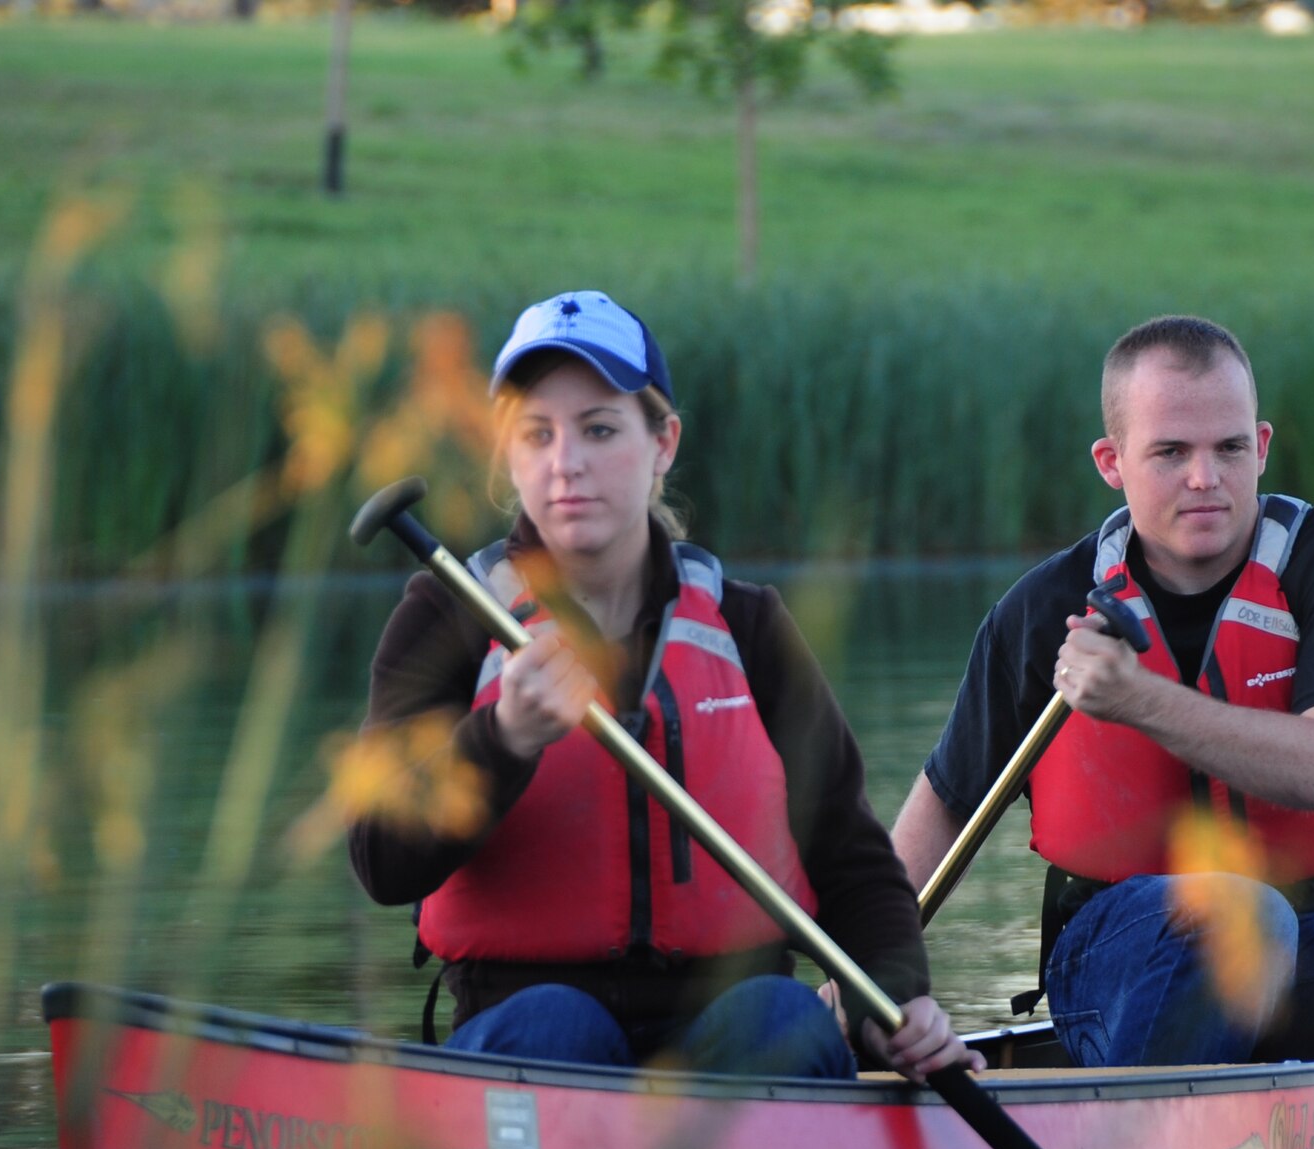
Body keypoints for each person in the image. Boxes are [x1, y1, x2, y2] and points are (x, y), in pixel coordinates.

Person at [349, 290, 981, 1083]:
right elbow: (379, 860)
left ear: (664, 443)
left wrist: (892, 998)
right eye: (535, 435)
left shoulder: (748, 625)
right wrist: (500, 738)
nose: (565, 463)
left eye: (600, 429)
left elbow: (849, 855)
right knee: (557, 1025)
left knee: (781, 1019)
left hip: (732, 1019)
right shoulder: (446, 615)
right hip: (526, 1027)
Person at [889, 314, 1314, 1069]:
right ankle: (1192, 1125)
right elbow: (942, 805)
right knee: (1237, 915)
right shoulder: (1041, 609)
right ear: (1112, 461)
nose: (1205, 478)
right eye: (1170, 453)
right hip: (1124, 963)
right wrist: (866, 983)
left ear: (1260, 447)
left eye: (1228, 448)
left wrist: (1139, 699)